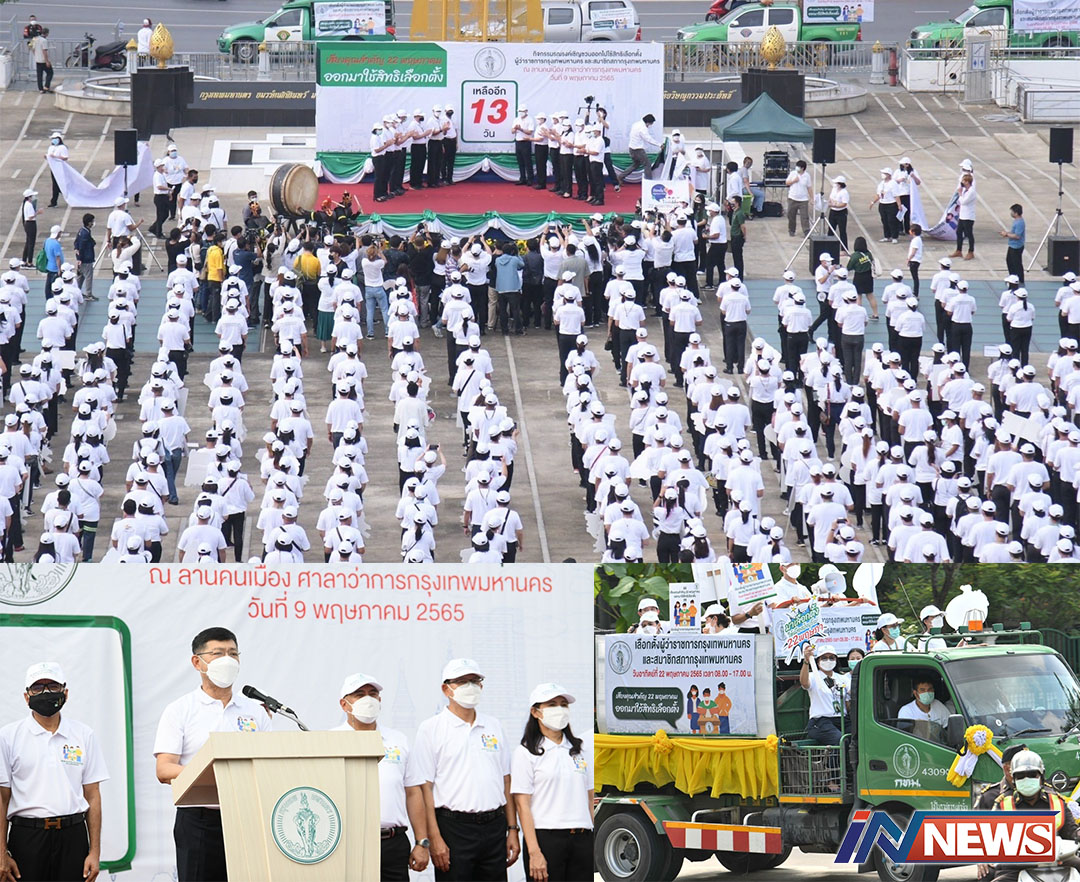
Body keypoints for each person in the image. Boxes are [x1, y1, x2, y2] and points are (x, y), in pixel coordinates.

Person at [153, 627, 272, 882]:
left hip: (248, 817)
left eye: (233, 653)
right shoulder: (180, 710)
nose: (227, 660)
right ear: (197, 662)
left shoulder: (256, 711)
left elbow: (269, 765)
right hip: (200, 820)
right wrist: (217, 774)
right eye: (218, 654)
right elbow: (164, 769)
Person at [412, 658, 519, 882]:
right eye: (462, 682)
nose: (470, 686)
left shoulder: (493, 726)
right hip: (453, 828)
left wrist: (512, 829)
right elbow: (424, 789)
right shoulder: (431, 728)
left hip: (494, 826)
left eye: (474, 681)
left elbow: (506, 780)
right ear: (446, 689)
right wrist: (435, 837)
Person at [0, 661, 108, 882]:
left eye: (53, 686)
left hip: (73, 837)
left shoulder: (83, 735)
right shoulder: (8, 737)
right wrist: (1, 853)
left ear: (65, 693)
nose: (46, 693)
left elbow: (93, 795)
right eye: (38, 688)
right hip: (27, 838)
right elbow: (2, 798)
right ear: (26, 696)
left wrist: (94, 851)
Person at [331, 672, 430, 880]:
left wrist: (422, 842)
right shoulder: (331, 741)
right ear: (344, 704)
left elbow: (413, 792)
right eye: (360, 695)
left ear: (380, 700)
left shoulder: (398, 740)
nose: (368, 699)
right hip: (349, 844)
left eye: (372, 694)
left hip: (393, 843)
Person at [511, 683, 592, 882]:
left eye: (564, 704)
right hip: (546, 839)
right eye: (552, 705)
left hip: (582, 839)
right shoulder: (526, 752)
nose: (560, 709)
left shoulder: (580, 750)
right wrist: (534, 852)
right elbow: (522, 805)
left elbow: (589, 797)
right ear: (536, 712)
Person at [989, 749, 1080, 882]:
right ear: (1013, 779)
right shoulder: (1002, 805)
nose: (1026, 779)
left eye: (1032, 774)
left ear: (1041, 777)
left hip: (1058, 860)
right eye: (1020, 776)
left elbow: (1071, 831)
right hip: (1016, 865)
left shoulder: (1056, 801)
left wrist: (1078, 834)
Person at [800, 643, 850, 745]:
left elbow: (852, 692)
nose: (828, 661)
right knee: (839, 740)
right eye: (824, 658)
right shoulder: (813, 676)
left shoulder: (842, 678)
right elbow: (804, 683)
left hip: (842, 719)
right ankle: (834, 756)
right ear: (818, 661)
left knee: (858, 736)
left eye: (831, 658)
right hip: (820, 721)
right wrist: (806, 661)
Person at [618, 114, 661, 185]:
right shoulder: (643, 128)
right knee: (647, 164)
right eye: (651, 124)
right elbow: (648, 139)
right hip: (638, 150)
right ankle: (649, 182)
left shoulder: (636, 124)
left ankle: (620, 177)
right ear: (648, 122)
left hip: (631, 149)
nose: (650, 126)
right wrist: (659, 144)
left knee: (636, 164)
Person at [847, 236, 878, 320]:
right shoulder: (869, 254)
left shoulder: (855, 256)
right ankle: (875, 314)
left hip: (859, 277)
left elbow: (849, 267)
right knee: (870, 296)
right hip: (868, 276)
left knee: (858, 296)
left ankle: (859, 314)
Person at [73, 213, 98, 302]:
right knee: (88, 276)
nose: (93, 223)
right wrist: (80, 258)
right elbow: (82, 247)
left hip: (82, 258)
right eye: (92, 221)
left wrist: (77, 252)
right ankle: (88, 294)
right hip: (86, 259)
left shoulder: (82, 231)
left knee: (81, 276)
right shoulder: (85, 233)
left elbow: (76, 242)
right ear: (89, 222)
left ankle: (77, 291)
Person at [1000, 203, 1026, 285]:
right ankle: (1012, 277)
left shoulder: (1019, 223)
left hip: (1016, 246)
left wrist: (1006, 234)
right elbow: (1013, 232)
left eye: (1012, 212)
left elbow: (1017, 236)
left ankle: (1019, 279)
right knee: (1010, 261)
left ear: (1016, 213)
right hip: (1012, 245)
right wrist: (1007, 233)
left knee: (1016, 264)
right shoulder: (1016, 221)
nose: (1011, 213)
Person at [785, 159, 811, 237]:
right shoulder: (793, 173)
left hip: (803, 200)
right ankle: (791, 230)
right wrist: (793, 181)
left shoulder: (807, 176)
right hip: (792, 198)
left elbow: (809, 187)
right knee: (791, 215)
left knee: (804, 216)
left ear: (803, 168)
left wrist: (812, 198)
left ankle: (806, 231)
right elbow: (787, 183)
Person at [953, 173, 976, 260]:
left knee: (969, 234)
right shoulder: (964, 190)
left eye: (963, 181)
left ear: (967, 182)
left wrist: (959, 194)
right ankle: (959, 250)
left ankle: (971, 251)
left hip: (969, 216)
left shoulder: (971, 192)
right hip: (962, 215)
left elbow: (963, 202)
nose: (962, 182)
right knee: (959, 232)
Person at [511, 106, 535, 187]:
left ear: (526, 111)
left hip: (526, 141)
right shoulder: (516, 119)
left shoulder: (530, 119)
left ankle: (530, 179)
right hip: (518, 141)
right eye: (520, 111)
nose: (521, 112)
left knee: (527, 161)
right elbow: (512, 131)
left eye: (522, 111)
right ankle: (522, 178)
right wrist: (515, 128)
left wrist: (521, 129)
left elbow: (530, 132)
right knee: (520, 161)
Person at [45, 132, 68, 209]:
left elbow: (65, 158)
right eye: (53, 139)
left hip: (60, 168)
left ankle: (54, 201)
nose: (54, 140)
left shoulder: (62, 147)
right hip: (53, 168)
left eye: (55, 138)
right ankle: (54, 201)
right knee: (55, 185)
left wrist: (55, 157)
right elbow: (49, 156)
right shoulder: (51, 147)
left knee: (57, 185)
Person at [828, 176, 850, 252]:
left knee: (842, 231)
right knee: (831, 230)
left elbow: (844, 203)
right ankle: (829, 247)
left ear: (840, 184)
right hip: (833, 211)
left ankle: (844, 249)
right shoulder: (834, 189)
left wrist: (836, 205)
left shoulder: (844, 192)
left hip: (841, 213)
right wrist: (831, 203)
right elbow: (830, 198)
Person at [31, 28, 52, 93]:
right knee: (50, 73)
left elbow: (31, 47)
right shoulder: (44, 41)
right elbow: (44, 51)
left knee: (39, 75)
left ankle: (40, 89)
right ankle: (46, 86)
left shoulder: (34, 39)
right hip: (43, 60)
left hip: (37, 60)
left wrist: (36, 55)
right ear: (47, 33)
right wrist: (47, 61)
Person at [21, 189, 38, 267]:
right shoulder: (29, 205)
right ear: (29, 197)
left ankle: (24, 260)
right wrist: (38, 212)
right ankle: (29, 262)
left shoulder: (26, 204)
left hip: (27, 224)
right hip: (31, 224)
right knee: (31, 243)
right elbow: (31, 216)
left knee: (28, 242)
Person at [906, 223, 923, 298]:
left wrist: (909, 259)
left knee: (915, 277)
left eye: (910, 230)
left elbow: (914, 251)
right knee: (915, 277)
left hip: (914, 260)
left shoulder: (915, 240)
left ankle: (915, 293)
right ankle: (915, 292)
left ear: (913, 232)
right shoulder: (918, 239)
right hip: (916, 260)